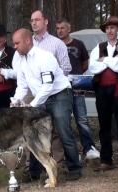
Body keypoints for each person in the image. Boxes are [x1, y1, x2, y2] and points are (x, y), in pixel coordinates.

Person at [11, 28, 82, 181]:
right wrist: (15, 100)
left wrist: (33, 105)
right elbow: (22, 86)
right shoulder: (21, 61)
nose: (15, 47)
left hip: (60, 95)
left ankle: (75, 168)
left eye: (17, 43)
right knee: (33, 133)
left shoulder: (44, 57)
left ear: (27, 41)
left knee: (63, 130)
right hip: (42, 97)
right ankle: (34, 172)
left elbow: (48, 86)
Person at [89, 16, 118, 171]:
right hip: (102, 90)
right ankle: (106, 160)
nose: (110, 31)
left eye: (113, 28)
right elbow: (93, 67)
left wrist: (105, 60)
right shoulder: (98, 47)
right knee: (104, 126)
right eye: (107, 28)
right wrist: (113, 60)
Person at [56, 18, 100, 161]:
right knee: (64, 121)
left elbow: (85, 63)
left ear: (69, 29)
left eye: (62, 28)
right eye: (57, 28)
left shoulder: (78, 44)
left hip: (77, 87)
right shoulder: (55, 45)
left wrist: (78, 75)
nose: (60, 31)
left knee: (81, 118)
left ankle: (88, 148)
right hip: (61, 88)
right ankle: (69, 152)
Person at [30, 10, 72, 75]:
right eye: (32, 20)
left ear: (46, 22)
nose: (34, 23)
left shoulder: (58, 43)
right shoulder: (27, 43)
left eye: (37, 20)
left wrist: (49, 76)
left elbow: (66, 68)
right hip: (30, 84)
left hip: (52, 84)